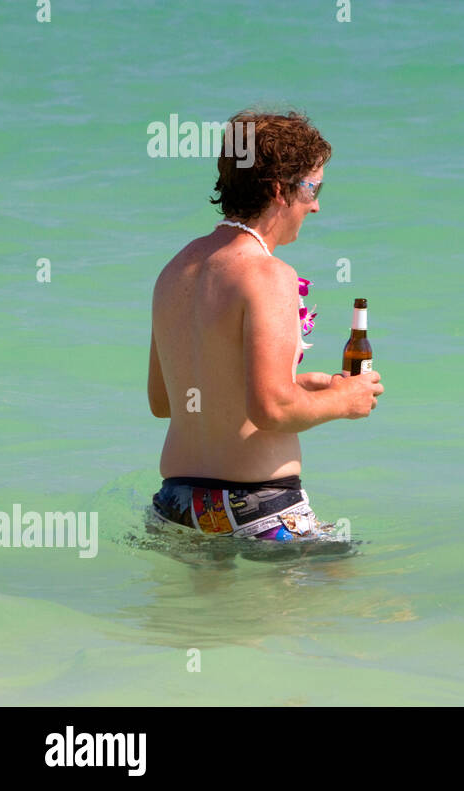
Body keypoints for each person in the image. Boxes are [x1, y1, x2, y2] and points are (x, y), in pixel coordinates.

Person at [148, 111, 383, 541]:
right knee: (379, 602)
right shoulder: (269, 274)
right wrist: (345, 400)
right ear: (279, 191)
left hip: (177, 506)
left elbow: (165, 400)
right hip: (258, 508)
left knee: (202, 613)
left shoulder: (174, 271)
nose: (316, 204)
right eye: (312, 188)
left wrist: (301, 384)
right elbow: (271, 409)